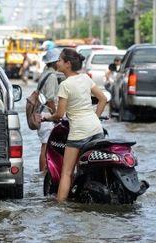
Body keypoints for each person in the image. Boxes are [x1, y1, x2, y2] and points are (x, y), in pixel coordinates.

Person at [42, 48, 107, 202]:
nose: (57, 62)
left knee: (66, 173)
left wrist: (46, 118)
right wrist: (95, 118)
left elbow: (59, 114)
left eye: (59, 60)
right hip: (96, 130)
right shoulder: (85, 78)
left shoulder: (65, 85)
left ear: (67, 64)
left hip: (78, 132)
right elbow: (103, 99)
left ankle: (61, 205)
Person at [36, 48, 60, 173]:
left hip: (42, 113)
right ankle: (43, 174)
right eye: (59, 60)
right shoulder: (51, 77)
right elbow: (50, 99)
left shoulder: (45, 73)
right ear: (55, 62)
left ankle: (43, 174)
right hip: (46, 114)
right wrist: (56, 115)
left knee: (45, 146)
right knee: (46, 147)